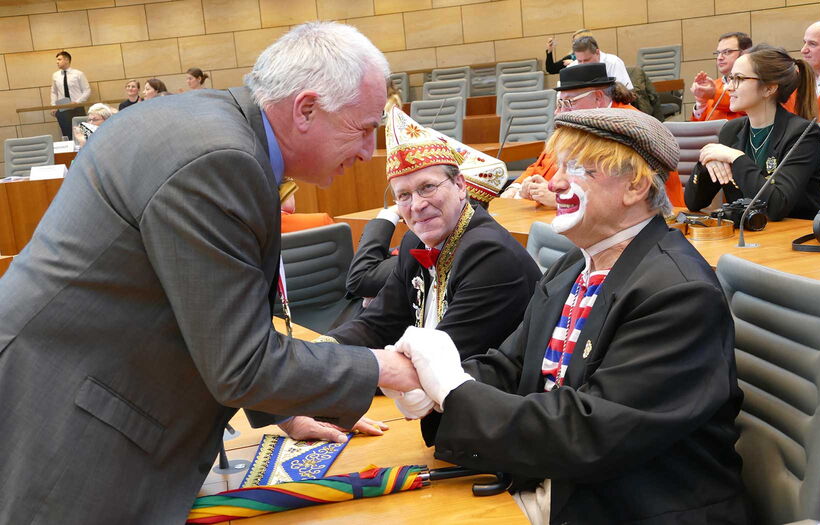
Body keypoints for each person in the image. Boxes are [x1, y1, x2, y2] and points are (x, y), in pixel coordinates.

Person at [0, 21, 419, 524]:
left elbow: (199, 301)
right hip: (71, 422)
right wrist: (386, 367)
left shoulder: (211, 127)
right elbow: (239, 363)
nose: (365, 151)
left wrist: (282, 410)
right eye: (364, 127)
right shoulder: (219, 160)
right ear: (306, 109)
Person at [390, 108, 750, 524]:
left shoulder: (679, 294)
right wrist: (430, 390)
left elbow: (589, 433)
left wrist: (455, 391)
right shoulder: (573, 267)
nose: (555, 182)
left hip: (631, 508)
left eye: (576, 168)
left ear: (634, 186)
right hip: (559, 486)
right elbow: (511, 366)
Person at [319, 106, 540, 360]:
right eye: (404, 195)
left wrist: (328, 368)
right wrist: (319, 349)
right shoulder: (415, 241)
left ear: (459, 185)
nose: (416, 205)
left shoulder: (489, 255)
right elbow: (376, 323)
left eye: (427, 187)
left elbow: (439, 361)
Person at [503, 63, 684, 207]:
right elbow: (542, 164)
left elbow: (614, 193)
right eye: (560, 104)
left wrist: (559, 198)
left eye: (568, 102)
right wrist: (519, 187)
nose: (560, 112)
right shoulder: (581, 126)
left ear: (598, 98)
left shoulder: (628, 129)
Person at [685, 44, 820, 220]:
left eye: (739, 79)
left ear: (769, 88)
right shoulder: (731, 130)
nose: (728, 88)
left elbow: (775, 206)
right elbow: (694, 203)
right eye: (730, 78)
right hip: (746, 236)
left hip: (792, 236)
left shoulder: (802, 133)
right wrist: (707, 162)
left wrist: (736, 158)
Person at [690, 32, 752, 122]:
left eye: (726, 52)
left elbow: (747, 106)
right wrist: (701, 103)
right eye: (718, 53)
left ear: (745, 53)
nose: (719, 57)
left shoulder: (753, 81)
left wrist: (714, 94)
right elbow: (696, 130)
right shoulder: (714, 85)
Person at [566, 36, 633, 90]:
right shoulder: (571, 67)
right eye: (579, 61)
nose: (583, 64)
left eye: (587, 60)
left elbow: (625, 92)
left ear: (597, 52)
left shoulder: (613, 62)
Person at [50, 50, 90, 139]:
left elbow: (87, 90)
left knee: (82, 133)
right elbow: (54, 92)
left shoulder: (78, 74)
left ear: (67, 60)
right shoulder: (55, 75)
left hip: (77, 107)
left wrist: (77, 102)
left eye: (59, 59)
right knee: (67, 133)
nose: (57, 62)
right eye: (57, 60)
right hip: (62, 109)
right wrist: (53, 106)